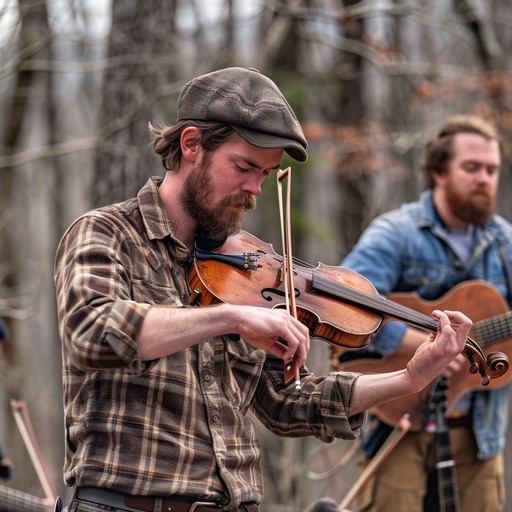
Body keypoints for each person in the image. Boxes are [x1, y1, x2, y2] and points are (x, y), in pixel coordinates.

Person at [54, 67, 473, 512]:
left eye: (267, 173)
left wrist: (409, 378)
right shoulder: (104, 234)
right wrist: (229, 317)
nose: (255, 188)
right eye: (243, 167)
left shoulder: (248, 276)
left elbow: (288, 402)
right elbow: (92, 333)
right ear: (191, 144)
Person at [334, 114, 510, 512]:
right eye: (472, 168)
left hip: (478, 431)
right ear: (438, 172)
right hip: (399, 416)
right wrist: (421, 347)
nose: (484, 178)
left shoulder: (505, 242)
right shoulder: (396, 232)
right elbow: (344, 302)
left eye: (492, 170)